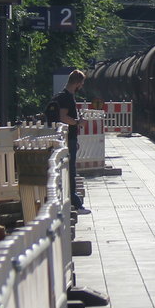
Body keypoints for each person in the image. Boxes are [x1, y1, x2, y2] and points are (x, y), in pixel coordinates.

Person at [54, 69, 91, 214]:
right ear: (76, 83)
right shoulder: (66, 98)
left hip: (70, 138)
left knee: (70, 170)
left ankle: (73, 201)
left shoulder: (63, 96)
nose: (81, 86)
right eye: (81, 83)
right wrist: (77, 122)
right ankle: (76, 204)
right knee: (71, 171)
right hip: (68, 138)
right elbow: (63, 117)